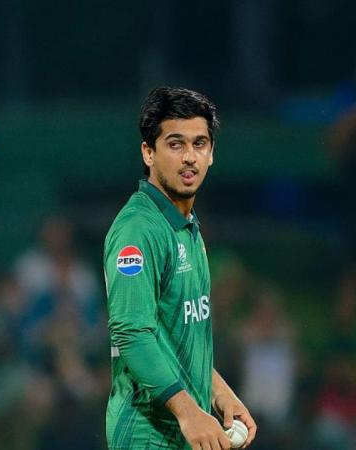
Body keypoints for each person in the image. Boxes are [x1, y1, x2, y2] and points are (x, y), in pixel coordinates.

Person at [103, 87, 257, 449]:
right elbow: (132, 334)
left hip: (182, 433)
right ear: (148, 152)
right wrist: (188, 412)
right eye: (175, 144)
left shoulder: (185, 225)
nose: (189, 157)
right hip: (147, 434)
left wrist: (219, 393)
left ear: (212, 153)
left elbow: (177, 338)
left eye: (199, 144)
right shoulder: (138, 229)